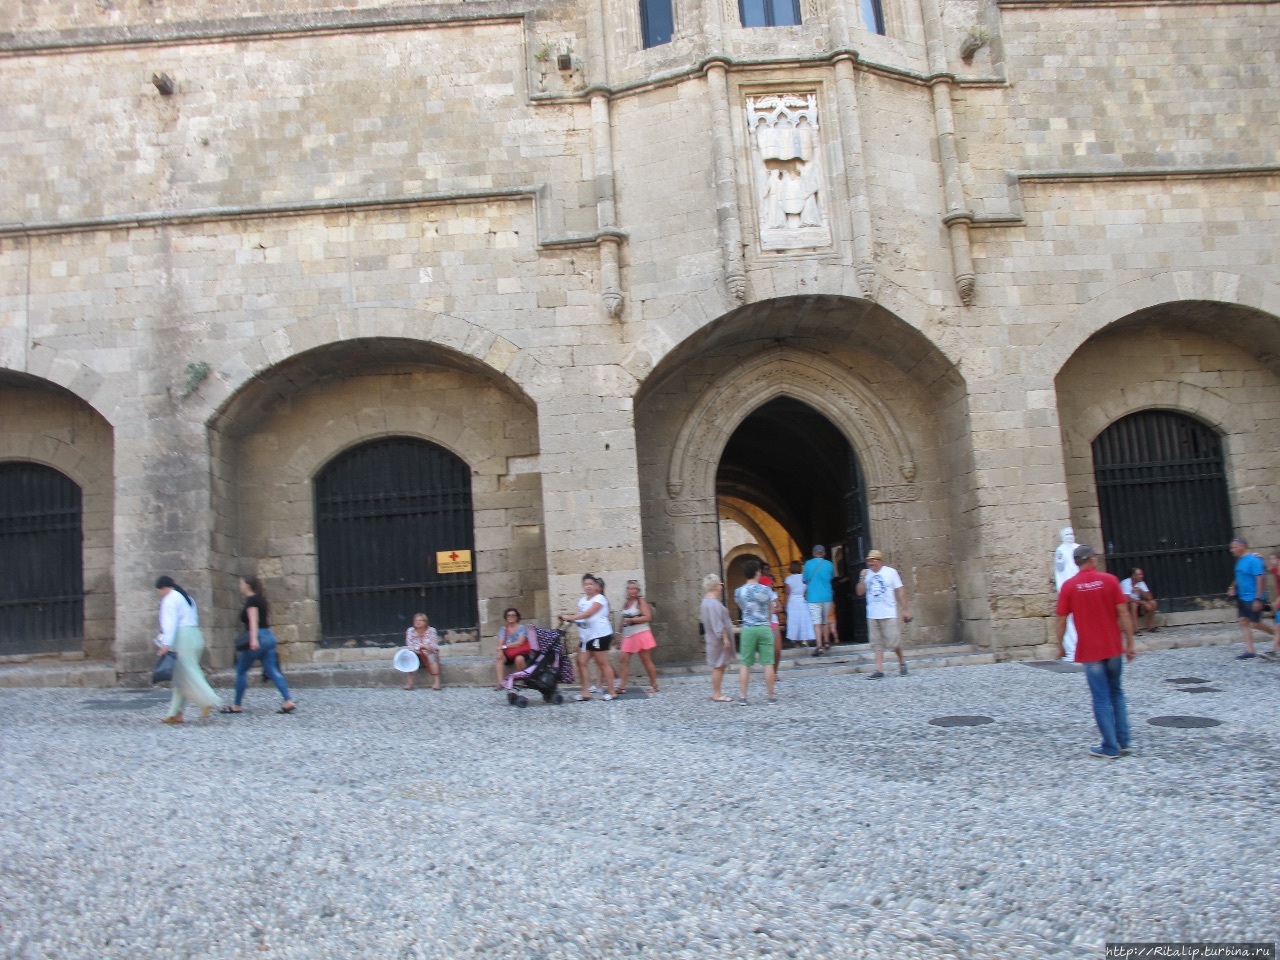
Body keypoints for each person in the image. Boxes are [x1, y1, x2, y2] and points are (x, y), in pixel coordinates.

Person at [1055, 543, 1136, 759]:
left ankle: (1110, 746)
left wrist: (1059, 644)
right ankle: (1123, 740)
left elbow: (1061, 619)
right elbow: (1124, 614)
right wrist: (1130, 642)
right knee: (1116, 692)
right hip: (1112, 646)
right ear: (1092, 559)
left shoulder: (1070, 587)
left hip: (1091, 650)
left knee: (1100, 697)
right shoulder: (1109, 581)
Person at [222, 576, 296, 713]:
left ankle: (237, 705)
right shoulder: (262, 600)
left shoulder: (251, 601)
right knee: (273, 670)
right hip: (268, 636)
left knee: (241, 670)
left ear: (248, 586)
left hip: (258, 637)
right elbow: (266, 620)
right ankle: (288, 700)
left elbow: (253, 621)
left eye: (241, 583)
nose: (240, 585)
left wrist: (254, 639)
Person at [154, 575, 220, 724]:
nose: (160, 594)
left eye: (159, 591)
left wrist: (166, 644)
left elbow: (169, 624)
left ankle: (206, 699)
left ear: (164, 588)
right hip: (194, 635)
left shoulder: (170, 599)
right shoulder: (187, 598)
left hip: (183, 638)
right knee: (181, 677)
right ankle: (176, 713)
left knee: (188, 674)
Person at [558, 573, 617, 701]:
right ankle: (585, 692)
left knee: (602, 663)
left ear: (596, 586)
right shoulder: (582, 601)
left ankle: (612, 692)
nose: (588, 586)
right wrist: (568, 620)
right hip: (587, 637)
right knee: (581, 662)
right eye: (586, 584)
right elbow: (580, 616)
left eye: (591, 584)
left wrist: (570, 617)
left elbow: (588, 614)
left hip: (600, 635)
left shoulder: (600, 599)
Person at [856, 550, 912, 679]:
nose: (870, 563)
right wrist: (861, 578)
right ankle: (879, 669)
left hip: (888, 613)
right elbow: (859, 592)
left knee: (894, 642)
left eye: (873, 560)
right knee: (876, 643)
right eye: (869, 560)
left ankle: (902, 662)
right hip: (872, 613)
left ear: (880, 561)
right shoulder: (866, 574)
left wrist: (905, 609)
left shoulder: (890, 572)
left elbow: (900, 590)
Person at [733, 559, 777, 705]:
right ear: (757, 572)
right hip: (764, 627)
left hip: (748, 628)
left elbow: (741, 607)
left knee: (745, 663)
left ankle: (744, 696)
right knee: (768, 663)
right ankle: (771, 696)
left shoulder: (739, 592)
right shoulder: (766, 590)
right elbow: (772, 608)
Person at [1227, 537, 1270, 659]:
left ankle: (1276, 633)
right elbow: (1239, 575)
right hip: (1242, 596)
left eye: (1234, 547)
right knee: (1243, 621)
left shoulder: (1254, 560)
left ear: (1242, 546)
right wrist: (1233, 587)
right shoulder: (1240, 560)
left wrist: (1258, 598)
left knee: (1255, 623)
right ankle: (1250, 650)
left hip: (1253, 596)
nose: (1232, 550)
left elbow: (1260, 579)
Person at [617, 580, 659, 695]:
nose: (633, 591)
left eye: (635, 588)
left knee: (646, 660)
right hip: (628, 634)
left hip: (641, 633)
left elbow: (647, 617)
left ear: (638, 590)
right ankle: (622, 686)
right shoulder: (626, 603)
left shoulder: (640, 601)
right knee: (624, 659)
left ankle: (654, 684)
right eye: (631, 588)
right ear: (627, 590)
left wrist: (633, 620)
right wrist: (617, 633)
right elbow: (623, 619)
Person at [700, 574, 736, 702]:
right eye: (720, 584)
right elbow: (718, 624)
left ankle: (717, 692)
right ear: (716, 586)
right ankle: (717, 693)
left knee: (719, 666)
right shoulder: (713, 603)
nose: (721, 586)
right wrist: (725, 638)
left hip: (712, 638)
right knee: (719, 666)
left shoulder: (706, 602)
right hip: (717, 640)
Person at [803, 545, 836, 655]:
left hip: (813, 596)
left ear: (813, 553)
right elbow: (831, 577)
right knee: (825, 620)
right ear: (824, 553)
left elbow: (804, 580)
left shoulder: (808, 564)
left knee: (816, 622)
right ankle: (826, 641)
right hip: (827, 595)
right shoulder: (829, 564)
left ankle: (819, 646)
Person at [494, 607, 538, 690]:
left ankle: (521, 680)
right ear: (506, 617)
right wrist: (500, 652)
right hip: (509, 653)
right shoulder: (503, 630)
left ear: (517, 617)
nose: (510, 617)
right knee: (500, 659)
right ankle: (500, 683)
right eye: (508, 615)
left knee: (519, 659)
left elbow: (520, 642)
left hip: (521, 652)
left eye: (513, 615)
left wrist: (505, 646)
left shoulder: (521, 628)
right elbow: (500, 644)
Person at [1053, 527, 1080, 661]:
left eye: (1071, 534)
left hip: (1080, 587)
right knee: (1068, 620)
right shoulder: (1061, 551)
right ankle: (1072, 649)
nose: (1070, 536)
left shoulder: (1079, 548)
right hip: (1068, 588)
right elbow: (1059, 568)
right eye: (1067, 534)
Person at [400, 611, 442, 692]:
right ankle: (409, 683)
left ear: (425, 622)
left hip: (429, 653)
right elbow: (409, 645)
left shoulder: (431, 631)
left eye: (420, 620)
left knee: (432, 656)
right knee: (410, 656)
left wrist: (426, 647)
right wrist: (421, 648)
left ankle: (436, 682)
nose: (417, 622)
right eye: (415, 620)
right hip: (415, 653)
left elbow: (433, 647)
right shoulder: (410, 631)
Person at [759, 563, 784, 673]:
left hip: (773, 622)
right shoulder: (757, 595)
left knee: (777, 649)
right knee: (767, 650)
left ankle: (775, 670)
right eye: (769, 584)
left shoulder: (773, 594)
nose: (771, 585)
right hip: (763, 624)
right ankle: (769, 672)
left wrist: (773, 610)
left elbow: (780, 607)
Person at [783, 560, 815, 647]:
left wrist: (785, 604)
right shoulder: (804, 578)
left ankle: (796, 640)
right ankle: (804, 639)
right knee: (803, 620)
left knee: (794, 621)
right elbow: (805, 592)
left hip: (792, 602)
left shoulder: (788, 579)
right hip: (802, 601)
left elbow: (787, 592)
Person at [1119, 568, 1158, 633]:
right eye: (1140, 574)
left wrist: (1140, 590)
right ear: (1133, 576)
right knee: (1133, 604)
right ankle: (1135, 629)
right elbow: (1126, 598)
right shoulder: (1125, 583)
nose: (1142, 576)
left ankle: (1150, 626)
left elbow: (1149, 597)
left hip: (1138, 604)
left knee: (1153, 603)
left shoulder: (1141, 583)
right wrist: (1142, 602)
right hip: (1127, 605)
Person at [1263, 551, 1280, 661]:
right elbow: (1268, 567)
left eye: (1273, 559)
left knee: (1278, 627)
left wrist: (1277, 601)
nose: (1271, 561)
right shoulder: (1275, 570)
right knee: (1277, 627)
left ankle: (1273, 651)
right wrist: (1260, 557)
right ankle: (1273, 651)